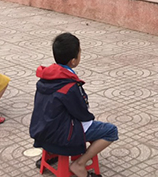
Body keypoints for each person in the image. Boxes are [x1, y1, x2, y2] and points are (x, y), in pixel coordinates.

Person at [30, 33, 118, 177]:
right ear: (73, 61)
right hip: (62, 136)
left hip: (42, 130)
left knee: (57, 115)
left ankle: (51, 154)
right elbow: (82, 113)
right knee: (111, 131)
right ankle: (79, 164)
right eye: (79, 52)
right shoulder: (69, 85)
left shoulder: (44, 78)